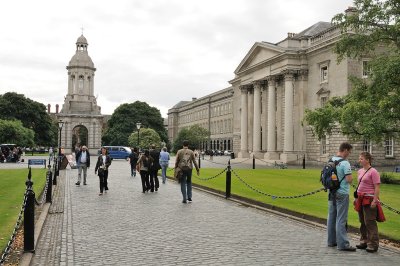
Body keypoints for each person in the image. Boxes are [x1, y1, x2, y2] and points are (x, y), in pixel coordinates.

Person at [327, 142, 356, 251]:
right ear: (345, 150)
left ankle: (331, 241)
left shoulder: (331, 160)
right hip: (342, 193)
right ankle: (343, 244)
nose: (349, 153)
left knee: (331, 217)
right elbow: (349, 180)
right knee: (341, 219)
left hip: (331, 192)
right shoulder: (345, 163)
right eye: (349, 151)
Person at [354, 152, 381, 253]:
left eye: (361, 159)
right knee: (362, 221)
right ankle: (364, 241)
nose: (359, 160)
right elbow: (359, 186)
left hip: (369, 199)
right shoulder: (360, 171)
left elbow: (377, 187)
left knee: (369, 221)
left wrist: (375, 200)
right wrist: (356, 198)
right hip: (360, 199)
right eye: (359, 158)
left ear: (368, 160)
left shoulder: (373, 172)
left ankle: (373, 244)